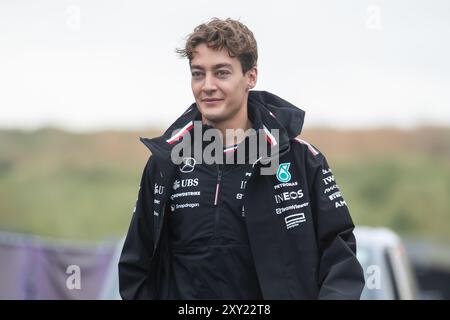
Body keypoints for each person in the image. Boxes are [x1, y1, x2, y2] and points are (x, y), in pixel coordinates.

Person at [118, 18, 365, 300]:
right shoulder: (165, 163)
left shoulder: (301, 160)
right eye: (198, 74)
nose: (207, 86)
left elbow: (341, 259)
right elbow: (136, 267)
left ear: (251, 77)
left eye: (221, 73)